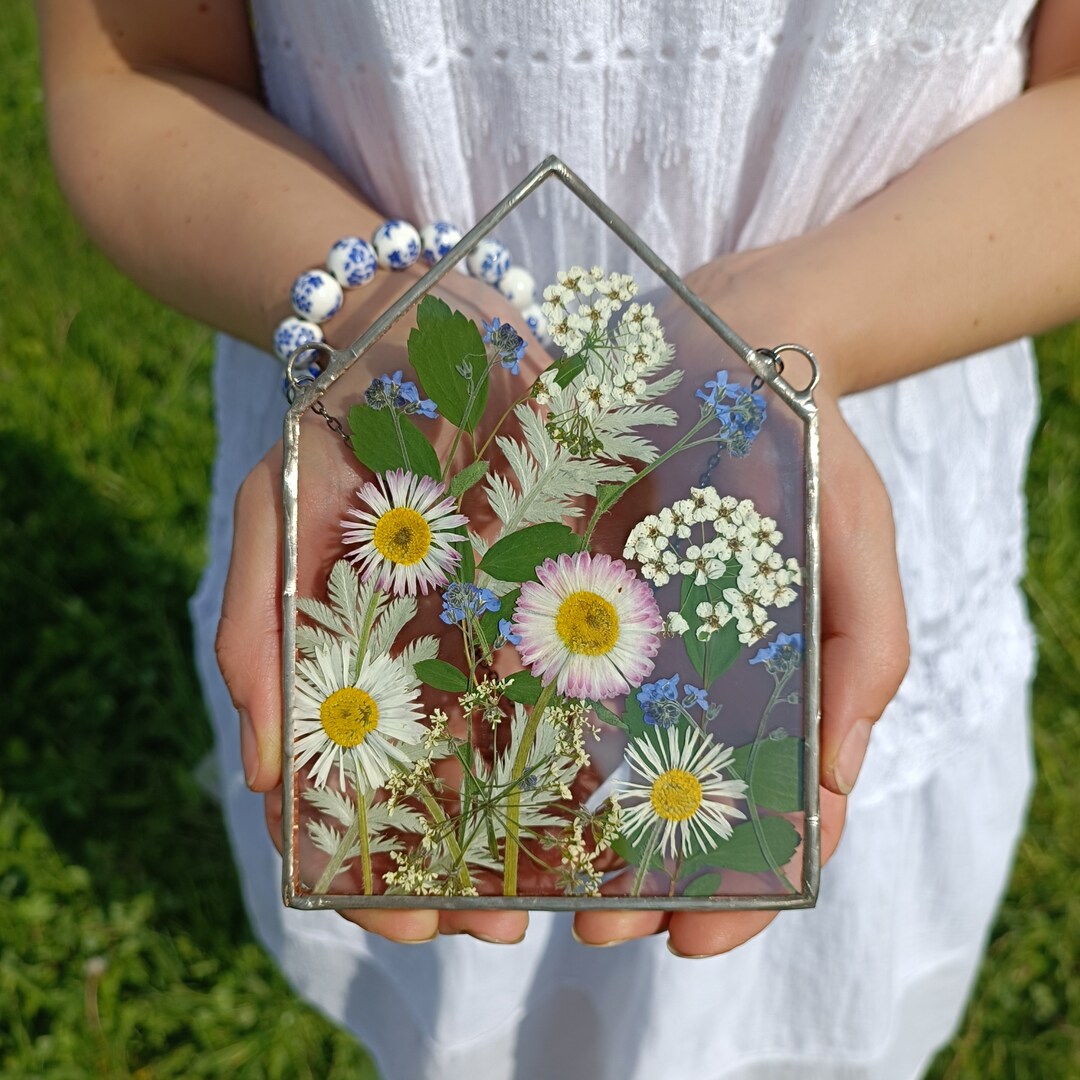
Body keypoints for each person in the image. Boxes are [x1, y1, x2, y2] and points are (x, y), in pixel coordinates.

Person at [36, 0, 1080, 1076]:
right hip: (396, 475)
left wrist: (791, 322)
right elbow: (134, 66)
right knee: (445, 923)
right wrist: (383, 317)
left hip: (828, 479)